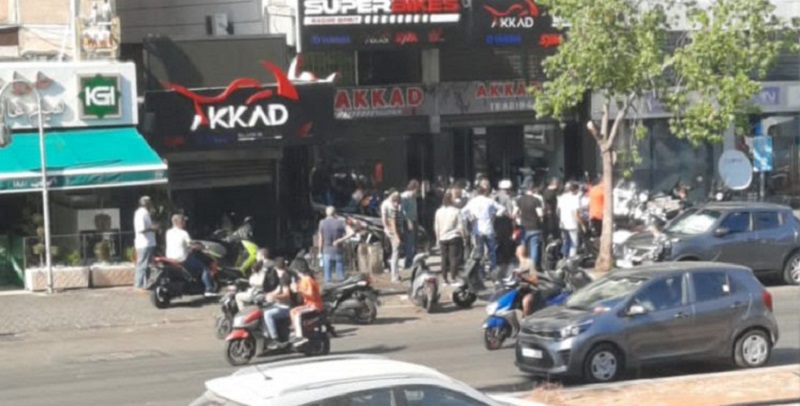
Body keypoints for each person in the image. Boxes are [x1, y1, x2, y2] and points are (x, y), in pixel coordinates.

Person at [166, 214, 215, 297]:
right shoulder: (183, 233)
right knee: (204, 269)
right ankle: (209, 289)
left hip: (170, 258)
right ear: (180, 222)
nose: (185, 223)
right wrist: (202, 247)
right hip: (182, 258)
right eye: (184, 221)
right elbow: (191, 245)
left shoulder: (168, 232)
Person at [462, 185, 505, 271]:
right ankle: (493, 268)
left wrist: (470, 217)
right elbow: (502, 208)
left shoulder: (473, 201)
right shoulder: (489, 201)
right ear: (485, 192)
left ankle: (480, 270)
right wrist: (496, 215)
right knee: (491, 250)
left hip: (477, 229)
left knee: (479, 251)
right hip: (488, 227)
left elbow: (463, 211)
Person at [289, 264, 324, 346]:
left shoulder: (307, 280)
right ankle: (297, 331)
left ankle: (300, 336)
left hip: (314, 305)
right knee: (292, 311)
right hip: (309, 304)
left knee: (297, 314)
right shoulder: (303, 280)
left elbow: (310, 294)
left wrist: (299, 290)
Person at [435, 192, 466, 284]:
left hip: (442, 237)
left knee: (443, 259)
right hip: (453, 236)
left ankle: (444, 278)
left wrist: (437, 238)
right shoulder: (456, 211)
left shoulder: (438, 211)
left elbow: (437, 226)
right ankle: (453, 277)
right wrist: (464, 237)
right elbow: (460, 226)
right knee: (453, 258)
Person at [263, 257, 293, 348]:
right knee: (263, 310)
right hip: (281, 305)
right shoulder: (284, 275)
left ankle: (274, 339)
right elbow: (278, 290)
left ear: (276, 268)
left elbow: (287, 295)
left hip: (287, 307)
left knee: (268, 314)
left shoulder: (285, 277)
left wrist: (274, 297)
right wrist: (266, 295)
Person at [516, 182, 544, 270]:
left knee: (523, 247)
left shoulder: (519, 200)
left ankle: (522, 265)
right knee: (534, 247)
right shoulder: (536, 200)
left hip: (523, 227)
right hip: (535, 227)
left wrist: (519, 218)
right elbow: (540, 214)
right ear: (533, 189)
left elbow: (514, 213)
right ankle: (533, 267)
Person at [133, 196, 158, 290]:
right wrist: (153, 228)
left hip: (149, 243)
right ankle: (138, 285)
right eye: (149, 202)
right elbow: (141, 229)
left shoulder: (146, 213)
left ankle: (146, 284)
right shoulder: (141, 213)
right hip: (144, 243)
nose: (151, 204)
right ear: (145, 204)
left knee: (147, 266)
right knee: (142, 265)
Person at [318, 206, 347, 283]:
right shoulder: (340, 222)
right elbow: (346, 235)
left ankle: (328, 285)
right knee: (340, 275)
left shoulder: (322, 223)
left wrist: (320, 251)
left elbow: (321, 239)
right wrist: (341, 241)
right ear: (335, 213)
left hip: (326, 250)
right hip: (338, 250)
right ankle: (342, 285)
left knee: (327, 274)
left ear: (326, 213)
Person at [381, 191, 404, 283]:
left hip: (390, 231)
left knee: (394, 253)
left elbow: (384, 218)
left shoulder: (385, 204)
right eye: (397, 202)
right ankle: (394, 276)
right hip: (394, 232)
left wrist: (385, 227)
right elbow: (392, 222)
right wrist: (396, 236)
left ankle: (396, 274)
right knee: (395, 254)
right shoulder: (392, 208)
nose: (397, 204)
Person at [513, 245, 541, 317]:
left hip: (531, 290)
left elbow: (535, 280)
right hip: (521, 290)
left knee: (526, 301)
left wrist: (523, 277)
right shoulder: (518, 264)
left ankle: (526, 320)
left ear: (517, 253)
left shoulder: (529, 263)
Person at [559, 182, 582, 258]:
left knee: (566, 241)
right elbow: (575, 213)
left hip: (563, 223)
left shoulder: (561, 197)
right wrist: (581, 224)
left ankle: (564, 257)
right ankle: (572, 259)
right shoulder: (575, 199)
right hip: (572, 224)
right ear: (575, 190)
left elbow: (558, 210)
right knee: (574, 243)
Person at [401, 180, 420, 270]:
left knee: (414, 241)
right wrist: (408, 221)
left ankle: (413, 260)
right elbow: (403, 211)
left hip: (414, 219)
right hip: (408, 221)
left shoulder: (413, 197)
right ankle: (408, 262)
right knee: (409, 241)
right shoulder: (405, 197)